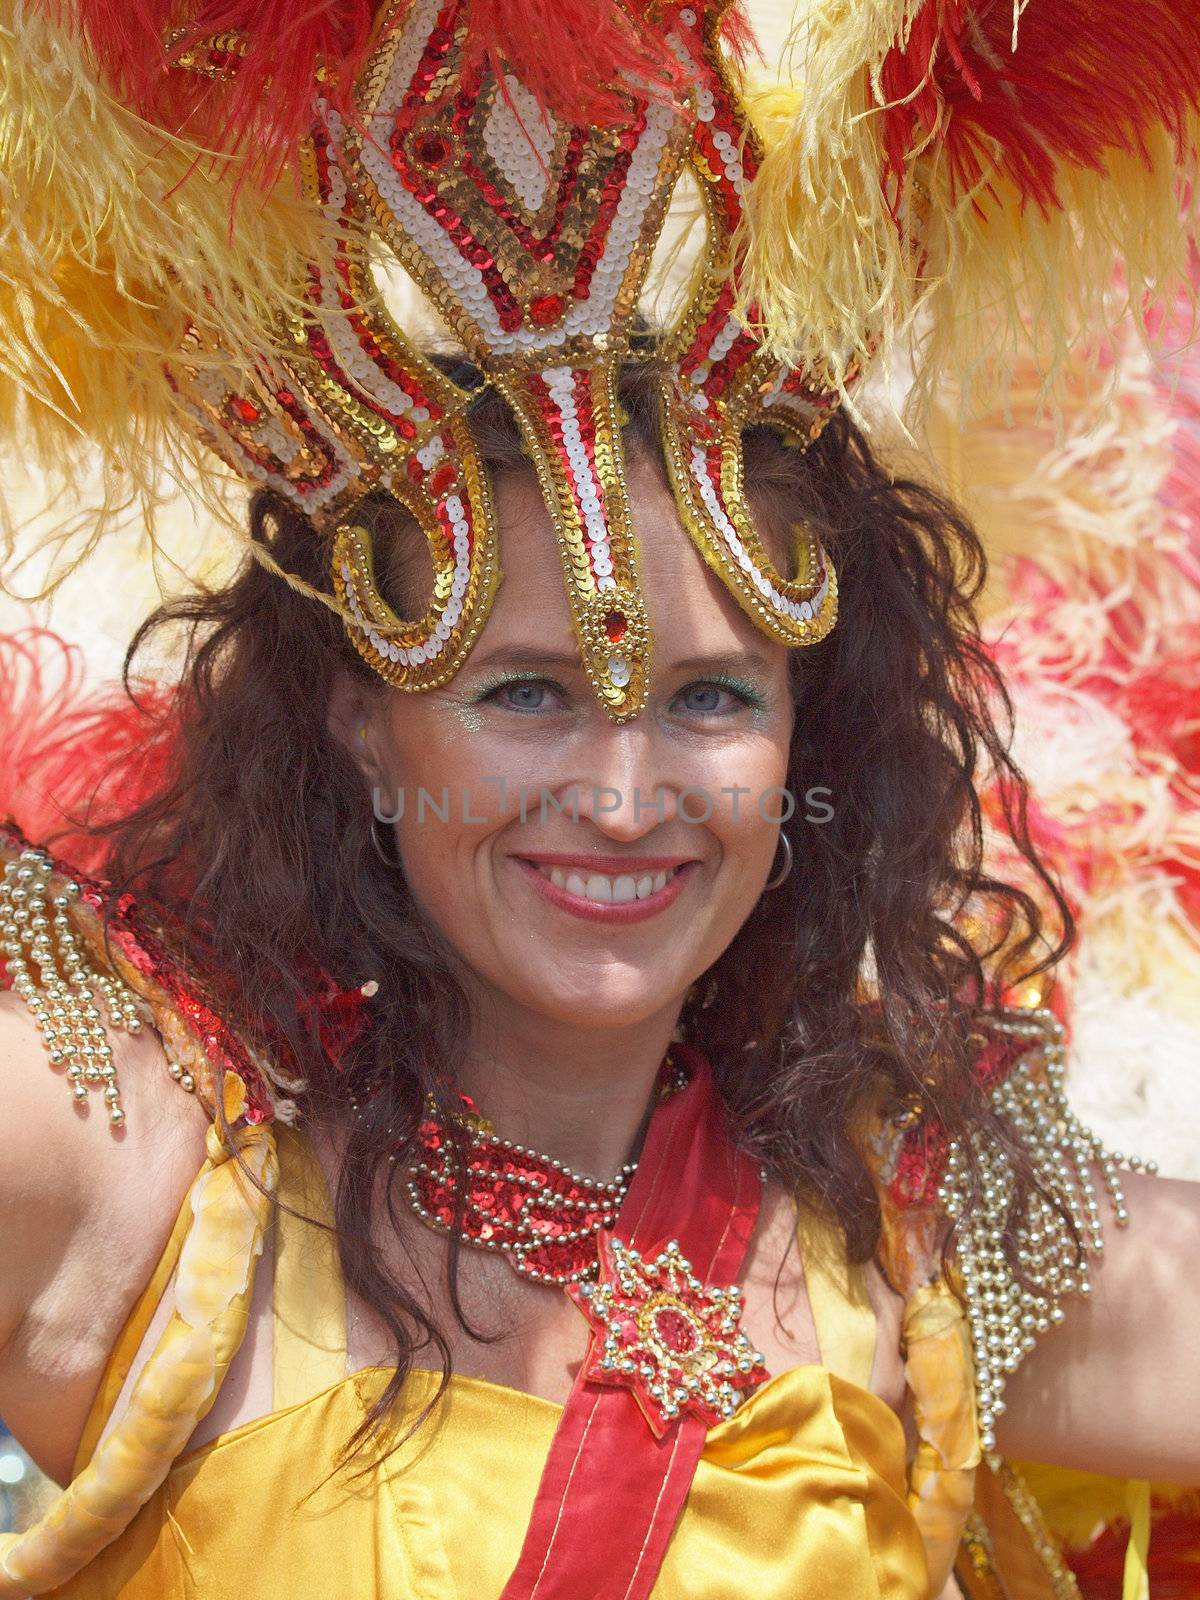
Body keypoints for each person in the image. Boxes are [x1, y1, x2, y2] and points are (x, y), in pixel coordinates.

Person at [1, 1, 1198, 1596]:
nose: (627, 799)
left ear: (804, 741)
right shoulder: (148, 1176)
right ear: (362, 722)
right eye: (524, 695)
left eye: (710, 696)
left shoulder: (927, 1243)